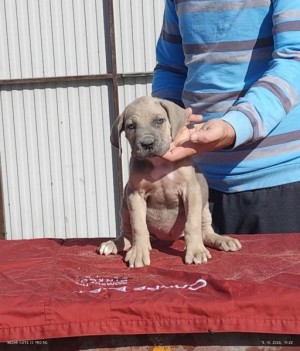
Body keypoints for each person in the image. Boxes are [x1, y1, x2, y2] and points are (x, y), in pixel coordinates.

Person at [152, 0, 300, 234]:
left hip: (279, 181)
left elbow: (294, 59)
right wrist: (168, 126)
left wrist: (234, 127)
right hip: (198, 183)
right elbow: (171, 68)